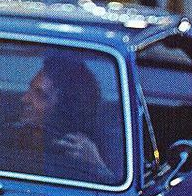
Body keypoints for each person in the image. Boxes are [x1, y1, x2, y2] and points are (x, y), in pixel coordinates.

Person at [15, 53, 119, 184]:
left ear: (64, 108)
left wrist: (96, 165)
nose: (25, 99)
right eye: (29, 90)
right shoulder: (10, 133)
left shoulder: (97, 148)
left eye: (40, 95)